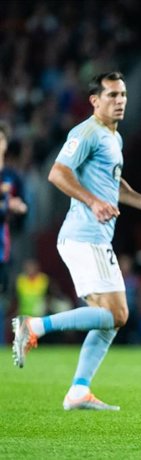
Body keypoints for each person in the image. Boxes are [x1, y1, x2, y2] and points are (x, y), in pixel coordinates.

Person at [11, 71, 141, 410]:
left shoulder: (113, 138)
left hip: (98, 238)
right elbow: (57, 173)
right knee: (113, 315)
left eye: (123, 95)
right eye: (112, 95)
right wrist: (93, 201)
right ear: (94, 100)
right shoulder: (85, 131)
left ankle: (79, 390)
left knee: (116, 316)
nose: (120, 102)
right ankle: (34, 325)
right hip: (82, 236)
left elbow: (114, 182)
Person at [0, 121, 28, 345]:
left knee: (2, 299)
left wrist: (18, 207)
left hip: (4, 246)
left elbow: (24, 207)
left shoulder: (12, 176)